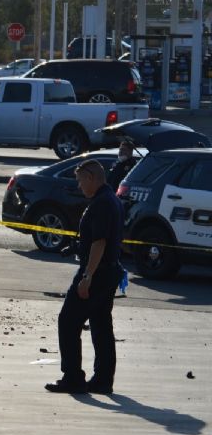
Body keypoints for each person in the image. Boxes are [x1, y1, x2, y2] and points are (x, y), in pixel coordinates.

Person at [46, 159, 124, 395]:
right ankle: (102, 380)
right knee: (101, 325)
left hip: (97, 273)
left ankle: (73, 378)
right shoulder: (112, 200)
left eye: (80, 181)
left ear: (91, 178)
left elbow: (100, 241)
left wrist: (87, 276)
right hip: (109, 271)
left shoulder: (101, 204)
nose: (79, 186)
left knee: (68, 321)